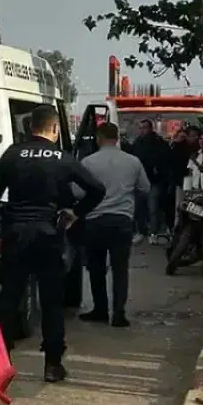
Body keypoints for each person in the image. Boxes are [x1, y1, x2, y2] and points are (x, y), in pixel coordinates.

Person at [0, 104, 105, 383]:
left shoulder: (11, 155)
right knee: (52, 301)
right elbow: (97, 189)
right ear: (54, 128)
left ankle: (0, 365)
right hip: (49, 234)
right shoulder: (63, 158)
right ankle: (52, 364)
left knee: (9, 299)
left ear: (30, 127)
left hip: (15, 233)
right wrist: (76, 212)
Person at [76, 122, 149, 328]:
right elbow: (145, 188)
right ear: (117, 138)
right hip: (122, 221)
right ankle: (118, 314)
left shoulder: (88, 162)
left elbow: (77, 192)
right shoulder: (133, 161)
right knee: (120, 268)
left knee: (96, 268)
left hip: (95, 221)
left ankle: (100, 310)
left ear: (99, 138)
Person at [130, 119, 172, 244]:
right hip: (139, 181)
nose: (142, 130)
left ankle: (153, 232)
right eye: (140, 128)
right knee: (139, 208)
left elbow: (165, 161)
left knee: (152, 207)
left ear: (150, 129)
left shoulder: (159, 143)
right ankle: (142, 231)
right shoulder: (137, 143)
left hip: (154, 180)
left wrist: (158, 172)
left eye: (144, 128)